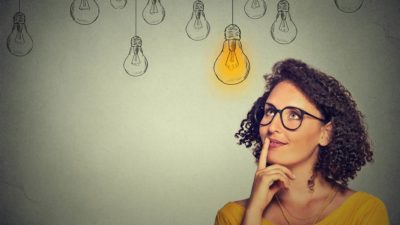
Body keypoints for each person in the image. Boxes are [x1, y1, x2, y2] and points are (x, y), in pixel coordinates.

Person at [214, 59, 390, 225]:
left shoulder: (364, 211)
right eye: (270, 112)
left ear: (325, 134)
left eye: (294, 115)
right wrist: (253, 213)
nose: (272, 126)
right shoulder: (231, 216)